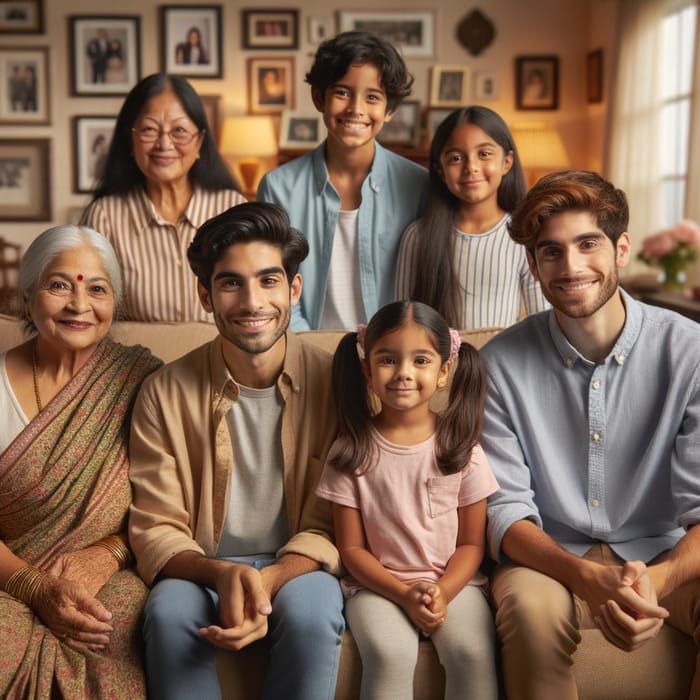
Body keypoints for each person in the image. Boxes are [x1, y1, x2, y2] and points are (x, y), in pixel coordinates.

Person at [481, 170, 700, 698]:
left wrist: (661, 578)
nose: (571, 267)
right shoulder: (496, 365)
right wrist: (582, 576)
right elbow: (503, 510)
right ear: (532, 265)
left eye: (588, 244)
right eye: (550, 251)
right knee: (529, 616)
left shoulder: (690, 351)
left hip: (664, 552)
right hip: (547, 558)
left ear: (621, 249)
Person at [128, 201, 344, 700]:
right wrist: (223, 573)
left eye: (269, 281)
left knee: (314, 615)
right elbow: (157, 525)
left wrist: (273, 578)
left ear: (294, 288)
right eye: (231, 283)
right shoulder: (164, 391)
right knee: (166, 614)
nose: (252, 302)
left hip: (298, 563)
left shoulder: (339, 383)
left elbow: (336, 518)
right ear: (206, 296)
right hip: (200, 564)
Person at [0, 225, 161, 698]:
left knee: (110, 627)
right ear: (27, 298)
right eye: (58, 285)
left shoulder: (143, 380)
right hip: (6, 575)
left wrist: (110, 552)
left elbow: (176, 504)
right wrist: (32, 585)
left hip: (113, 570)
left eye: (97, 288)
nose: (78, 304)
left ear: (115, 303)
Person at [317, 300, 500, 699]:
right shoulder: (349, 451)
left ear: (443, 372)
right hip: (376, 586)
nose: (403, 373)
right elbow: (351, 548)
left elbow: (471, 543)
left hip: (455, 584)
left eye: (420, 360)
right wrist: (402, 593)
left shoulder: (462, 449)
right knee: (390, 653)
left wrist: (443, 591)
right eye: (388, 360)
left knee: (471, 651)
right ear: (367, 371)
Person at [257, 30, 429, 331]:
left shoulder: (419, 185)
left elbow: (429, 283)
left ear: (389, 110)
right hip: (306, 347)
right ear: (318, 98)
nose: (356, 109)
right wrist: (308, 346)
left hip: (395, 353)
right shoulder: (278, 187)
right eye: (342, 92)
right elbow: (272, 283)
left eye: (372, 97)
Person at [80, 73, 245, 322]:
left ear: (199, 141)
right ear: (131, 139)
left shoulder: (232, 208)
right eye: (149, 129)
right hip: (138, 361)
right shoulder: (105, 216)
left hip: (220, 360)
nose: (164, 144)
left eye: (179, 130)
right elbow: (90, 311)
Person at [396, 106, 549, 330]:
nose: (471, 167)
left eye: (484, 154)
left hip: (501, 364)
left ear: (506, 162)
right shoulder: (417, 236)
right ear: (440, 170)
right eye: (456, 158)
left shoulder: (524, 237)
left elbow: (542, 324)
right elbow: (402, 323)